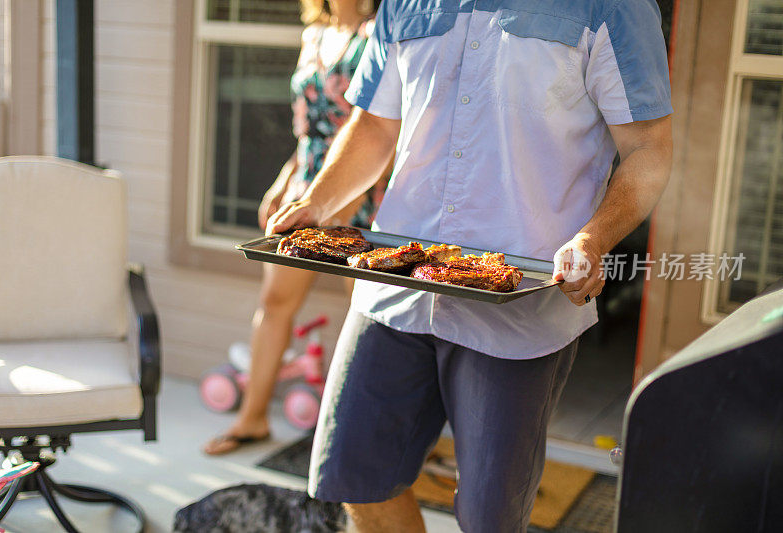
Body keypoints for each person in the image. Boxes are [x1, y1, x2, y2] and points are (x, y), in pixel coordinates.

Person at [267, 0, 674, 531]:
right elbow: (373, 125)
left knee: (489, 520)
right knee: (354, 480)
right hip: (395, 289)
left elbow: (648, 147)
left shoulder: (612, 7)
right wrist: (319, 203)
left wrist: (593, 239)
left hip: (520, 311)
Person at [203, 0, 386, 456]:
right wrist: (283, 183)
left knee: (366, 317)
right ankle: (252, 419)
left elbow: (387, 128)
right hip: (307, 186)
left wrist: (347, 199)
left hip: (365, 188)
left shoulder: (382, 28)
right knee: (274, 301)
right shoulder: (315, 34)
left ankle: (360, 438)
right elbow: (307, 132)